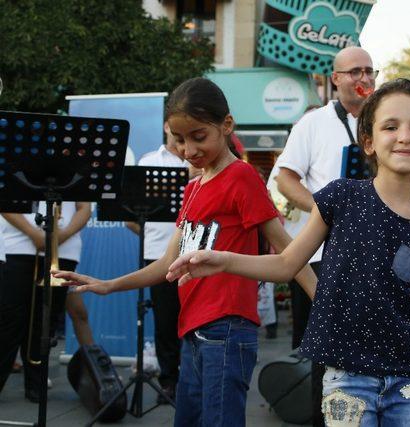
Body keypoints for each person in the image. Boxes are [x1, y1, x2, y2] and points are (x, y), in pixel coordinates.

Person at [164, 79, 410, 426]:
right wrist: (224, 259)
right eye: (390, 126)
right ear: (369, 141)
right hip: (348, 379)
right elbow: (286, 264)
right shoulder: (341, 197)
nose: (405, 137)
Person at [53, 77, 317, 427]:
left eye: (198, 137)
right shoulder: (193, 186)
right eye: (179, 139)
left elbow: (288, 251)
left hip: (226, 329)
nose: (188, 150)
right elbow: (167, 264)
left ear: (226, 126)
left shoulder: (241, 176)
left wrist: (324, 301)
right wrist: (107, 285)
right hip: (192, 330)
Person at [275, 46, 376, 425]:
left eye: (369, 71)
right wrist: (324, 211)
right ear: (335, 80)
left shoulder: (384, 122)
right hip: (321, 255)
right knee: (323, 352)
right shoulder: (313, 123)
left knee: (368, 347)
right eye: (354, 72)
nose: (364, 78)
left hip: (373, 255)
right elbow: (285, 179)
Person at [0, 201, 91, 402]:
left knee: (45, 322)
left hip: (63, 249)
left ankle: (35, 382)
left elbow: (84, 208)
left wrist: (57, 238)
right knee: (9, 320)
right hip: (17, 245)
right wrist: (34, 234)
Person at [125, 121, 188, 404]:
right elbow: (132, 216)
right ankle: (169, 381)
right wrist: (150, 234)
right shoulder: (149, 161)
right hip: (157, 254)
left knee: (195, 320)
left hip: (195, 253)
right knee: (165, 321)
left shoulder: (200, 160)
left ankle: (192, 379)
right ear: (165, 126)